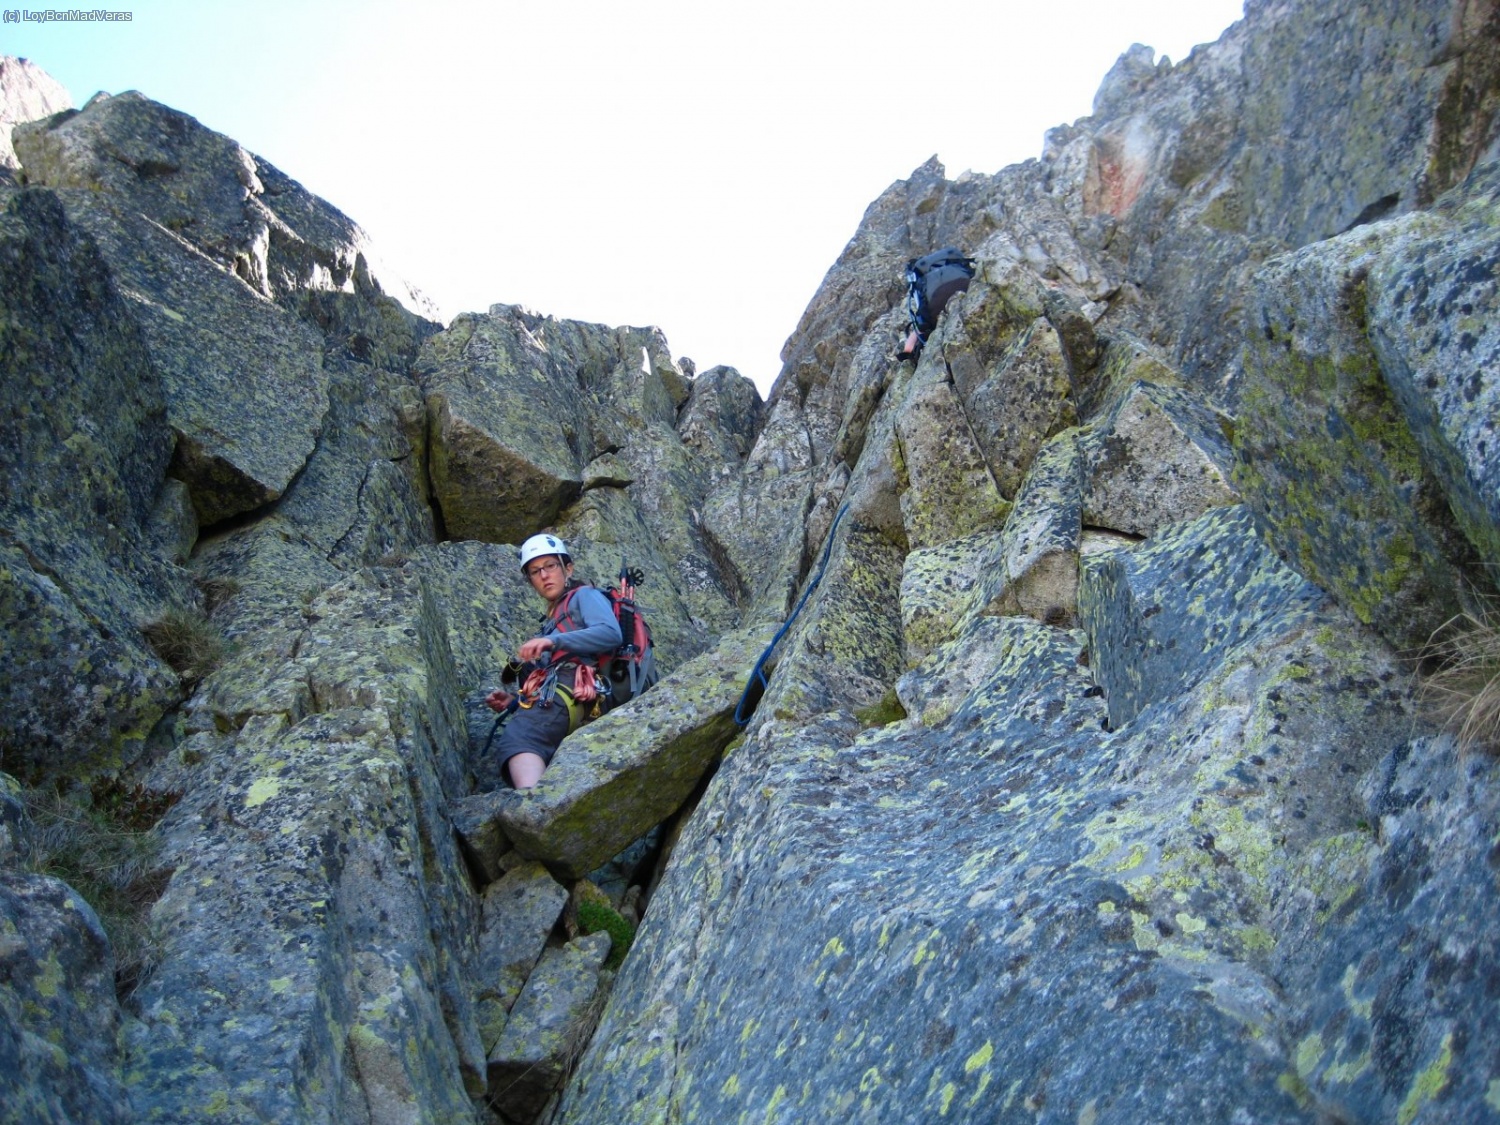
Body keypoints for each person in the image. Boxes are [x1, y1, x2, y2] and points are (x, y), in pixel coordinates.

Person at [486, 533, 622, 789]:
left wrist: (554, 642)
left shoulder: (585, 596)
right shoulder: (551, 623)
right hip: (565, 692)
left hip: (577, 685)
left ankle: (534, 808)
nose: (544, 575)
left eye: (550, 566)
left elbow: (611, 633)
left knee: (521, 737)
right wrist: (514, 703)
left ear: (567, 568)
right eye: (535, 572)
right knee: (524, 729)